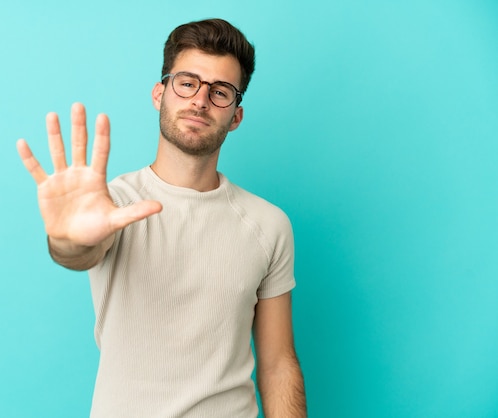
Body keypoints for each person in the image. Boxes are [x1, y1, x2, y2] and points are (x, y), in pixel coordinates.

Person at [17, 18, 306, 418]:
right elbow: (77, 251)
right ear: (160, 93)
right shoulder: (112, 204)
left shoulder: (269, 225)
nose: (200, 100)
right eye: (187, 82)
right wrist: (68, 239)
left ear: (236, 116)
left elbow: (277, 363)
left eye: (220, 92)